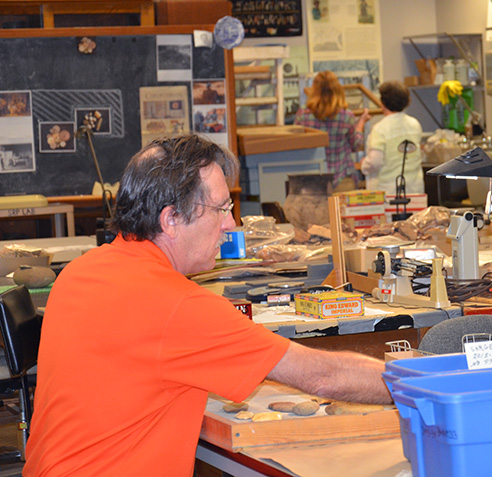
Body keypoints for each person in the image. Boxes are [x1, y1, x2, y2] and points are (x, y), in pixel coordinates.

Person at [23, 135, 392, 476]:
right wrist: (425, 381)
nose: (232, 224)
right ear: (171, 219)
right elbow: (319, 375)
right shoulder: (176, 305)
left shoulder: (81, 270)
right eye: (220, 209)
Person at [294, 71, 370, 192]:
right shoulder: (346, 115)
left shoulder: (303, 115)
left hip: (313, 181)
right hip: (342, 179)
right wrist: (361, 123)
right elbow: (356, 145)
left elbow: (296, 145)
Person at [360, 81, 424, 196]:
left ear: (383, 102)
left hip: (390, 194)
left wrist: (364, 164)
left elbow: (375, 162)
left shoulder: (380, 129)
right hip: (415, 191)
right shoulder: (415, 124)